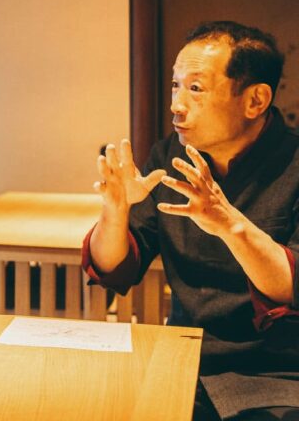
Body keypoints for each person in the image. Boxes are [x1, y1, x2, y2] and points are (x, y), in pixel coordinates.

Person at [83, 21, 298, 420]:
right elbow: (115, 268)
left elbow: (292, 287)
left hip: (276, 374)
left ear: (255, 101)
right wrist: (114, 213)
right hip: (183, 357)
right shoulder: (169, 157)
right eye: (175, 85)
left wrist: (229, 225)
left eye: (195, 88)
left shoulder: (294, 164)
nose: (176, 105)